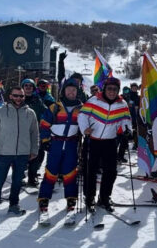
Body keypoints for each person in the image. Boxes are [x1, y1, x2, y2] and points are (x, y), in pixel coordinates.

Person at [0, 86, 39, 222]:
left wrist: (34, 149)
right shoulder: (0, 112)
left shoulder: (30, 113)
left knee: (17, 181)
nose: (18, 98)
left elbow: (34, 133)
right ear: (10, 96)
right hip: (3, 153)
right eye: (16, 95)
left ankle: (14, 205)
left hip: (22, 153)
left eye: (21, 96)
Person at [78, 77, 132, 212]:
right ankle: (89, 197)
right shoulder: (94, 100)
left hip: (110, 141)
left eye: (115, 89)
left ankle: (104, 197)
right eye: (109, 88)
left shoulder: (122, 104)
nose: (112, 92)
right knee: (90, 170)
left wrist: (127, 130)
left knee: (111, 172)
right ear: (105, 88)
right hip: (93, 139)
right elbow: (82, 115)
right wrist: (85, 129)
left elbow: (126, 120)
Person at [37, 79, 83, 218]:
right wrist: (45, 141)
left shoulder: (82, 108)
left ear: (77, 92)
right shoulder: (55, 107)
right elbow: (44, 124)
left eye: (74, 90)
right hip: (56, 143)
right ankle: (44, 198)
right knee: (51, 171)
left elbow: (86, 126)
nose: (71, 92)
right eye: (68, 89)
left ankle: (71, 198)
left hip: (71, 144)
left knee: (70, 172)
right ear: (63, 91)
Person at [22, 78, 47, 187]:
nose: (28, 88)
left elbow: (45, 111)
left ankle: (32, 177)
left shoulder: (37, 99)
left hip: (35, 131)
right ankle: (20, 176)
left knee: (36, 154)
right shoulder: (18, 98)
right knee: (21, 155)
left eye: (30, 86)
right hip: (20, 131)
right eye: (26, 86)